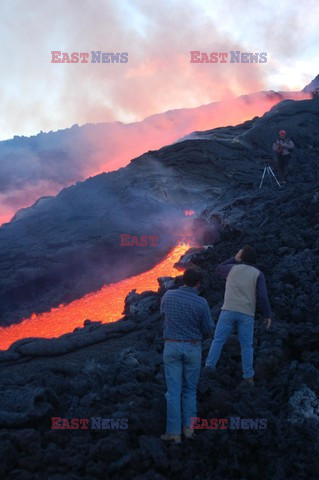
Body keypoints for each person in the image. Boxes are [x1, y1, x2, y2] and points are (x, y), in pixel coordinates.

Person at [160, 267, 213, 444]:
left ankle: (173, 434)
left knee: (173, 391)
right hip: (192, 348)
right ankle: (189, 430)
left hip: (172, 347)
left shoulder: (168, 296)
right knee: (190, 390)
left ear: (183, 280)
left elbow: (163, 315)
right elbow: (207, 329)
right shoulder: (201, 303)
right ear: (198, 283)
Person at [205, 246, 272, 385]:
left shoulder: (231, 268)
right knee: (246, 346)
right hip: (246, 314)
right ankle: (248, 377)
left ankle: (209, 368)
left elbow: (219, 267)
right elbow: (263, 297)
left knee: (217, 341)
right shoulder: (258, 274)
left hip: (228, 311)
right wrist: (267, 315)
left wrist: (234, 259)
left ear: (241, 257)